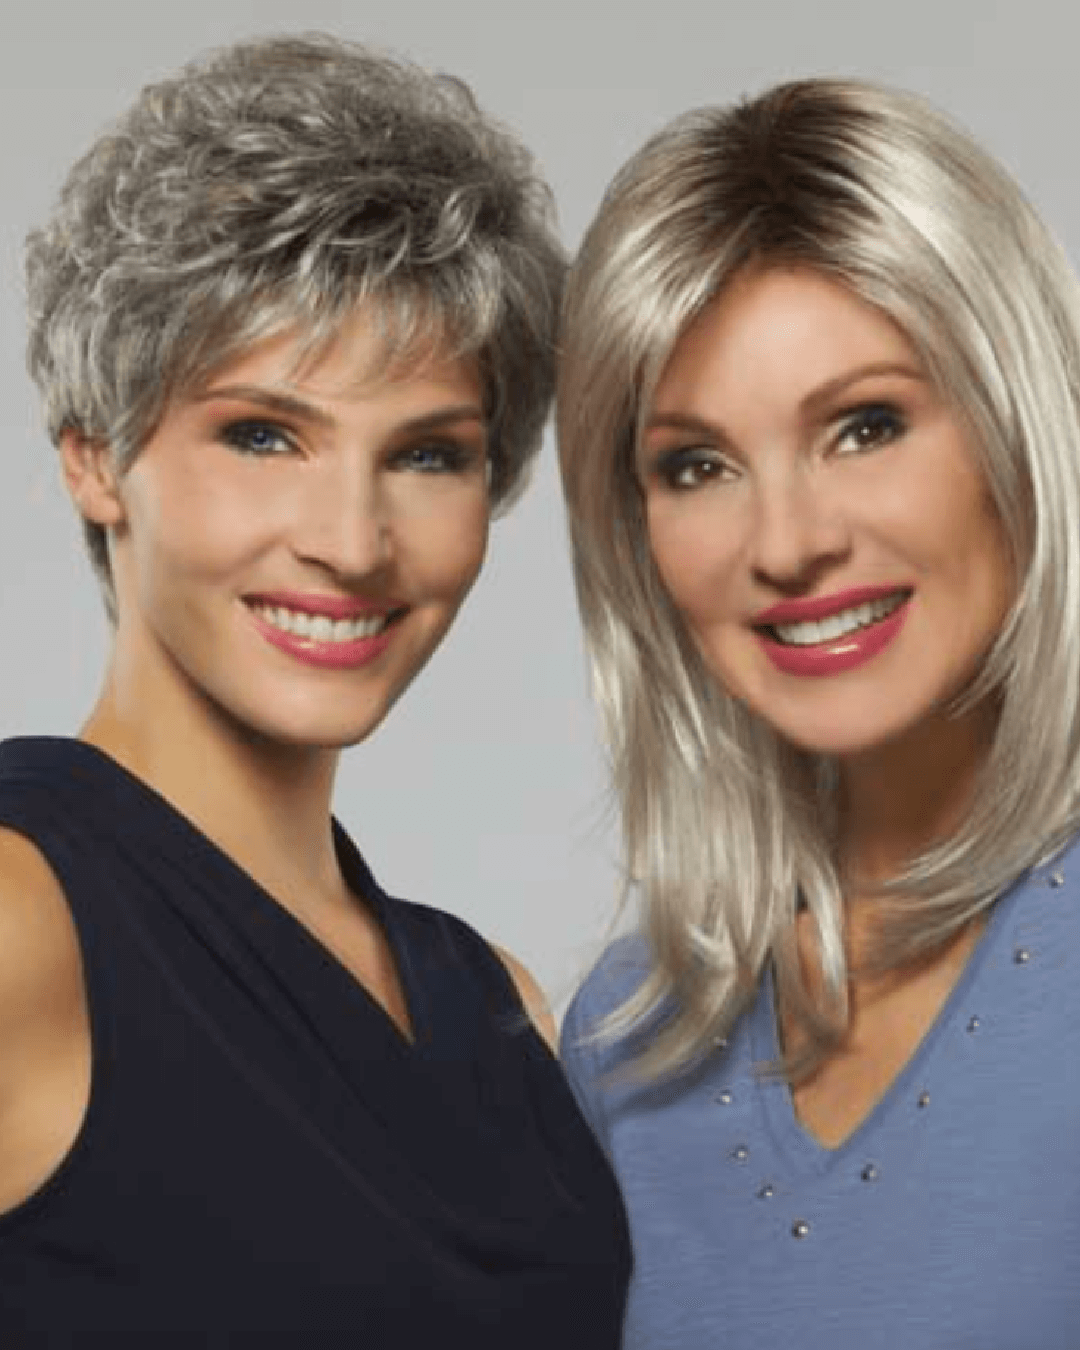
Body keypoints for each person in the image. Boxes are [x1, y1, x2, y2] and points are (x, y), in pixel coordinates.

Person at [0, 33, 630, 1345]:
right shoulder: (21, 913)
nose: (352, 539)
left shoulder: (501, 1001)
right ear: (96, 460)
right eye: (264, 434)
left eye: (427, 454)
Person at [557, 77, 1080, 1348]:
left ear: (1019, 425)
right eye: (698, 465)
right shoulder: (633, 1042)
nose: (788, 544)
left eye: (865, 425)